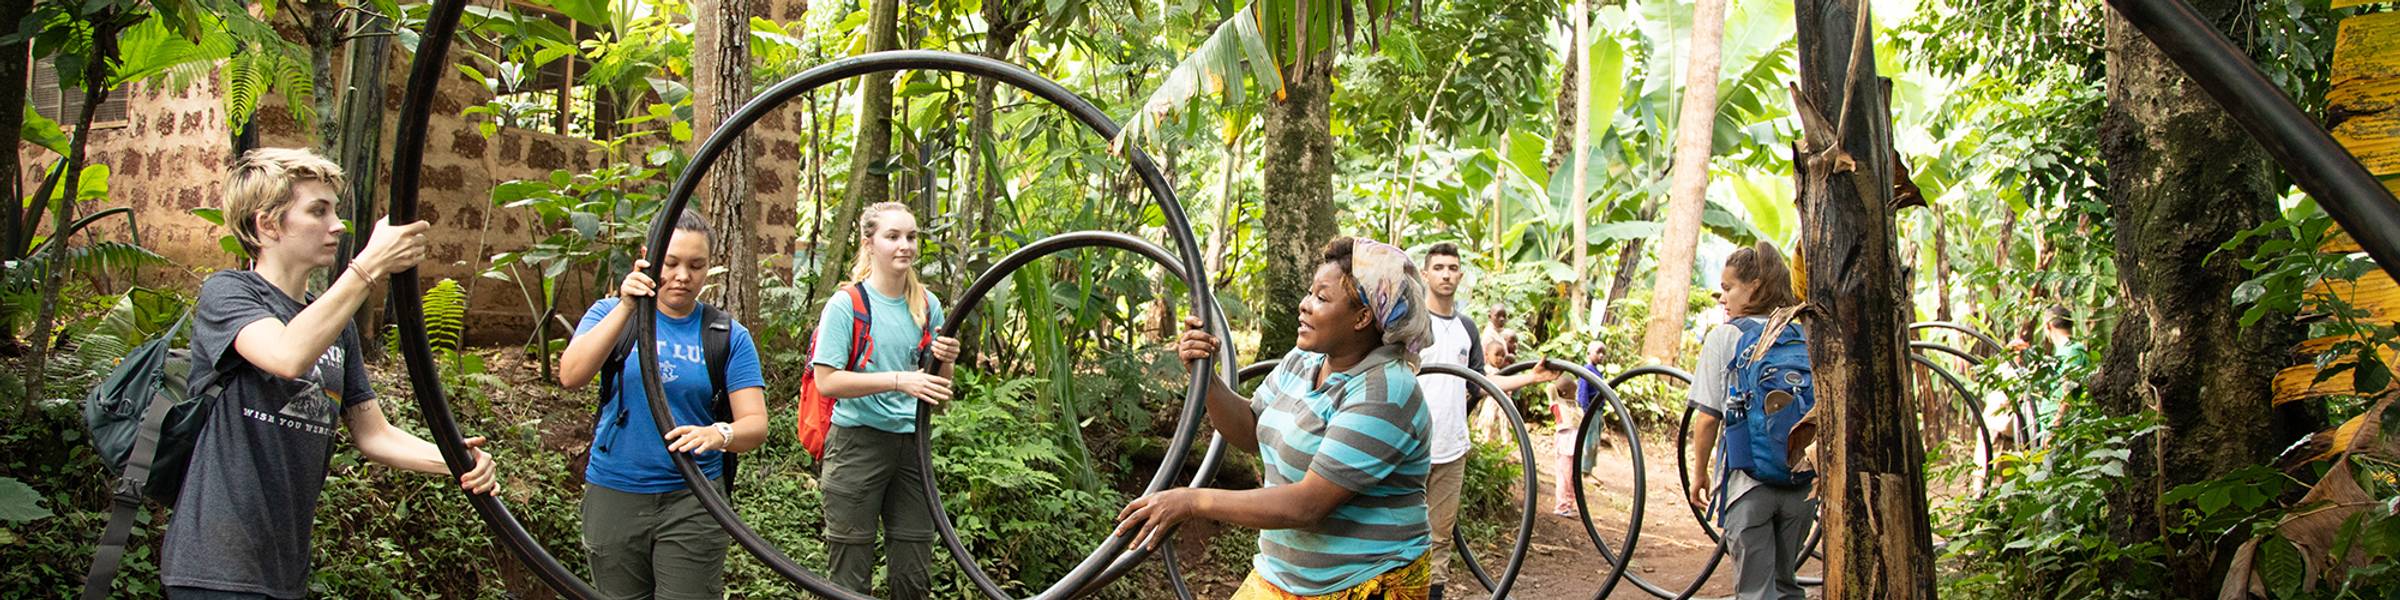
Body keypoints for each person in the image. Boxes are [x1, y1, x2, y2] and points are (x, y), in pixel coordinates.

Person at [163, 148, 500, 599]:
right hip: (214, 566)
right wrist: (369, 265)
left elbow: (373, 434)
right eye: (318, 211)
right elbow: (285, 355)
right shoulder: (229, 293)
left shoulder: (333, 326)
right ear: (267, 224)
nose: (337, 225)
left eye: (335, 210)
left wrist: (458, 461)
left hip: (283, 571)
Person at [1115, 236, 1436, 599]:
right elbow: (1251, 431)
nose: (1304, 305)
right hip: (1283, 576)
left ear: (1363, 317)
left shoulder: (1387, 392)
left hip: (1365, 582)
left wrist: (1191, 501)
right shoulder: (1304, 361)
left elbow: (1307, 505)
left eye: (1321, 297)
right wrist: (1206, 379)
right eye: (1309, 292)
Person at [557, 211, 769, 599]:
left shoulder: (726, 335)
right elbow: (571, 375)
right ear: (648, 257)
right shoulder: (609, 314)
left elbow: (754, 424)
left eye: (696, 265)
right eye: (671, 263)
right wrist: (626, 306)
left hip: (694, 498)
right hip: (616, 492)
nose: (683, 276)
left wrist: (718, 434)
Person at [809, 202, 963, 599]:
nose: (904, 246)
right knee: (849, 573)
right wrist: (897, 381)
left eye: (911, 237)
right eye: (892, 237)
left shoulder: (928, 305)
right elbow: (827, 381)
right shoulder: (847, 305)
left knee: (914, 569)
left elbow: (938, 396)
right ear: (869, 243)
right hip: (857, 444)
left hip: (912, 449)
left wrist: (945, 363)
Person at [1415, 242, 1553, 598]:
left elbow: (1480, 380)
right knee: (1398, 532)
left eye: (1453, 268)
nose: (1446, 274)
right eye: (1439, 267)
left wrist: (1530, 378)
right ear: (1425, 273)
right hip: (1407, 447)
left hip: (1451, 448)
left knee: (1439, 536)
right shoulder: (1411, 323)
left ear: (1460, 275)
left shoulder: (1466, 328)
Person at [1684, 241, 1813, 600]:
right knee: (1787, 585)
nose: (1722, 298)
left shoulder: (1726, 337)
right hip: (1801, 484)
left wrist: (1699, 473)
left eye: (1728, 288)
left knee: (1756, 591)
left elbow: (1708, 418)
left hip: (1747, 482)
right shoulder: (1802, 331)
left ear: (1754, 284)